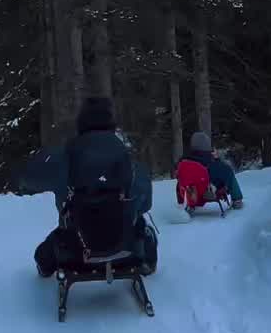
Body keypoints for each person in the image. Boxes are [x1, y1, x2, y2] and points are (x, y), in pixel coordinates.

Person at [15, 97, 155, 277]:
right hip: (124, 247)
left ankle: (46, 265)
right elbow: (146, 202)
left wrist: (26, 181)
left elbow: (33, 176)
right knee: (142, 226)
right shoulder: (125, 154)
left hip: (76, 248)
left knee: (48, 248)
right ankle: (147, 262)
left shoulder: (68, 153)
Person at [183, 129, 244, 207]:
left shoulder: (185, 160)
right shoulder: (210, 161)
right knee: (228, 171)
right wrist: (218, 160)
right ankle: (237, 199)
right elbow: (225, 171)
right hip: (208, 190)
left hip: (191, 190)